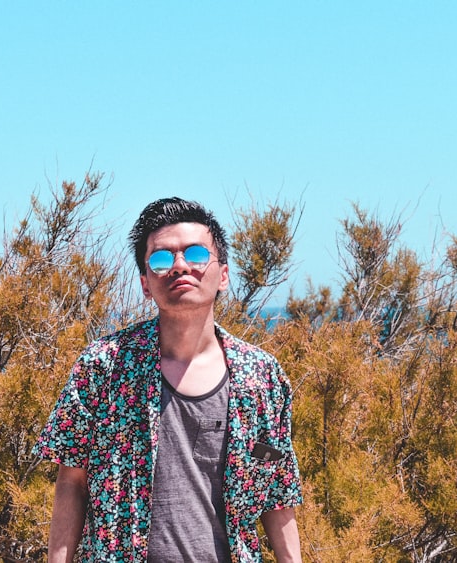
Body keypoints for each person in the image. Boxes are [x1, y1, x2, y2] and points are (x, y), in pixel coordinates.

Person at [33, 197, 303, 562]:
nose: (179, 267)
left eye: (195, 255)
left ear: (222, 275)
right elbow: (71, 482)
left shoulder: (262, 377)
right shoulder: (103, 366)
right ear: (146, 284)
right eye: (162, 259)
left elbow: (276, 493)